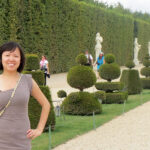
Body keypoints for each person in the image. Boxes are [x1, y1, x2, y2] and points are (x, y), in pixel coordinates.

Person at [0, 41, 50, 150]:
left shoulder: (28, 81)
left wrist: (39, 129)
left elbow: (46, 104)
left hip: (21, 141)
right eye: (7, 55)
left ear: (21, 59)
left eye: (16, 56)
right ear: (1, 58)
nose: (11, 59)